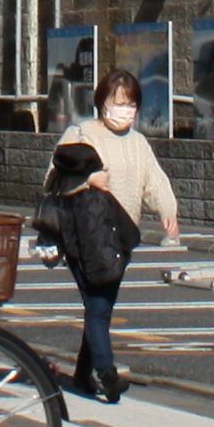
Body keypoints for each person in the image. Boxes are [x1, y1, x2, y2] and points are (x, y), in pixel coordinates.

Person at [32, 138, 138, 402]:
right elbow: (104, 233)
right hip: (104, 260)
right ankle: (107, 375)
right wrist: (124, 251)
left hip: (82, 259)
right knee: (98, 314)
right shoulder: (90, 198)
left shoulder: (60, 195)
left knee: (96, 313)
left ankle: (82, 374)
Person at [58, 68, 183, 247]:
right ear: (102, 103)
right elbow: (55, 178)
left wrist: (168, 212)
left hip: (123, 237)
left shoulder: (138, 143)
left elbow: (156, 182)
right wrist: (88, 180)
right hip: (84, 236)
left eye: (130, 105)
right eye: (118, 103)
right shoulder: (81, 135)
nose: (124, 110)